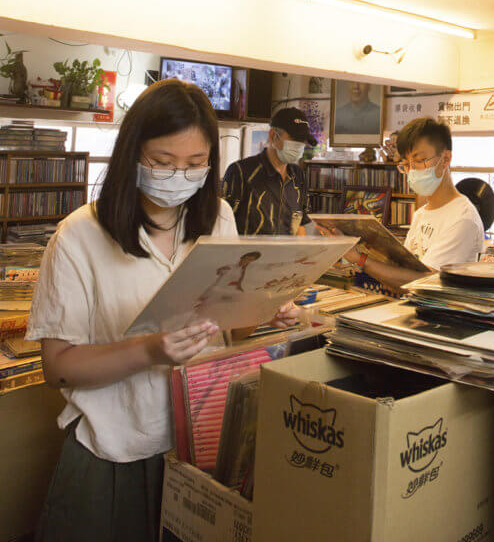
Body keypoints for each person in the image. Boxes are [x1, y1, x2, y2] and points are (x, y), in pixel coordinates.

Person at [26, 78, 295, 541]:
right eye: (162, 162)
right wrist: (148, 351)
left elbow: (226, 333)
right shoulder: (79, 237)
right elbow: (59, 366)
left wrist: (262, 311)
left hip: (205, 442)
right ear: (133, 154)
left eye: (195, 164)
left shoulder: (219, 218)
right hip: (116, 451)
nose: (180, 176)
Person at [329, 117, 484, 292]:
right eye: (406, 164)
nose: (412, 171)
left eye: (419, 161)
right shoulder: (421, 214)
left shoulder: (462, 219)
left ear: (445, 159)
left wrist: (360, 259)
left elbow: (424, 283)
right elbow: (401, 273)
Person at [222, 106, 316, 235]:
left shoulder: (298, 176)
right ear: (273, 136)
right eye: (295, 139)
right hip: (249, 254)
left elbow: (300, 225)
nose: (300, 146)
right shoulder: (240, 172)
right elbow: (222, 225)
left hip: (287, 254)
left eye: (302, 141)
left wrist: (300, 253)